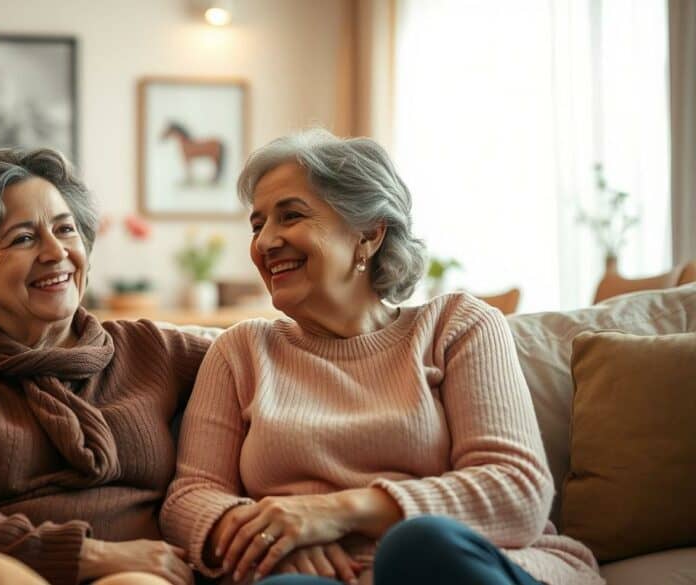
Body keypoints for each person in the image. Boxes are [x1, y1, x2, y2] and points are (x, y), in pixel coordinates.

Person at [159, 130, 604, 585]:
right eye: (257, 225)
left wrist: (331, 513)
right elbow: (190, 499)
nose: (266, 242)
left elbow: (517, 489)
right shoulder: (241, 350)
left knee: (420, 546)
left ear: (369, 234)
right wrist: (272, 544)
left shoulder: (456, 325)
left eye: (290, 216)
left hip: (454, 566)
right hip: (314, 577)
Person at [0, 148, 210, 585]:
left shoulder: (151, 349)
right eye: (23, 238)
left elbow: (273, 364)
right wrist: (90, 556)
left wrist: (319, 509)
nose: (56, 252)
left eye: (65, 229)